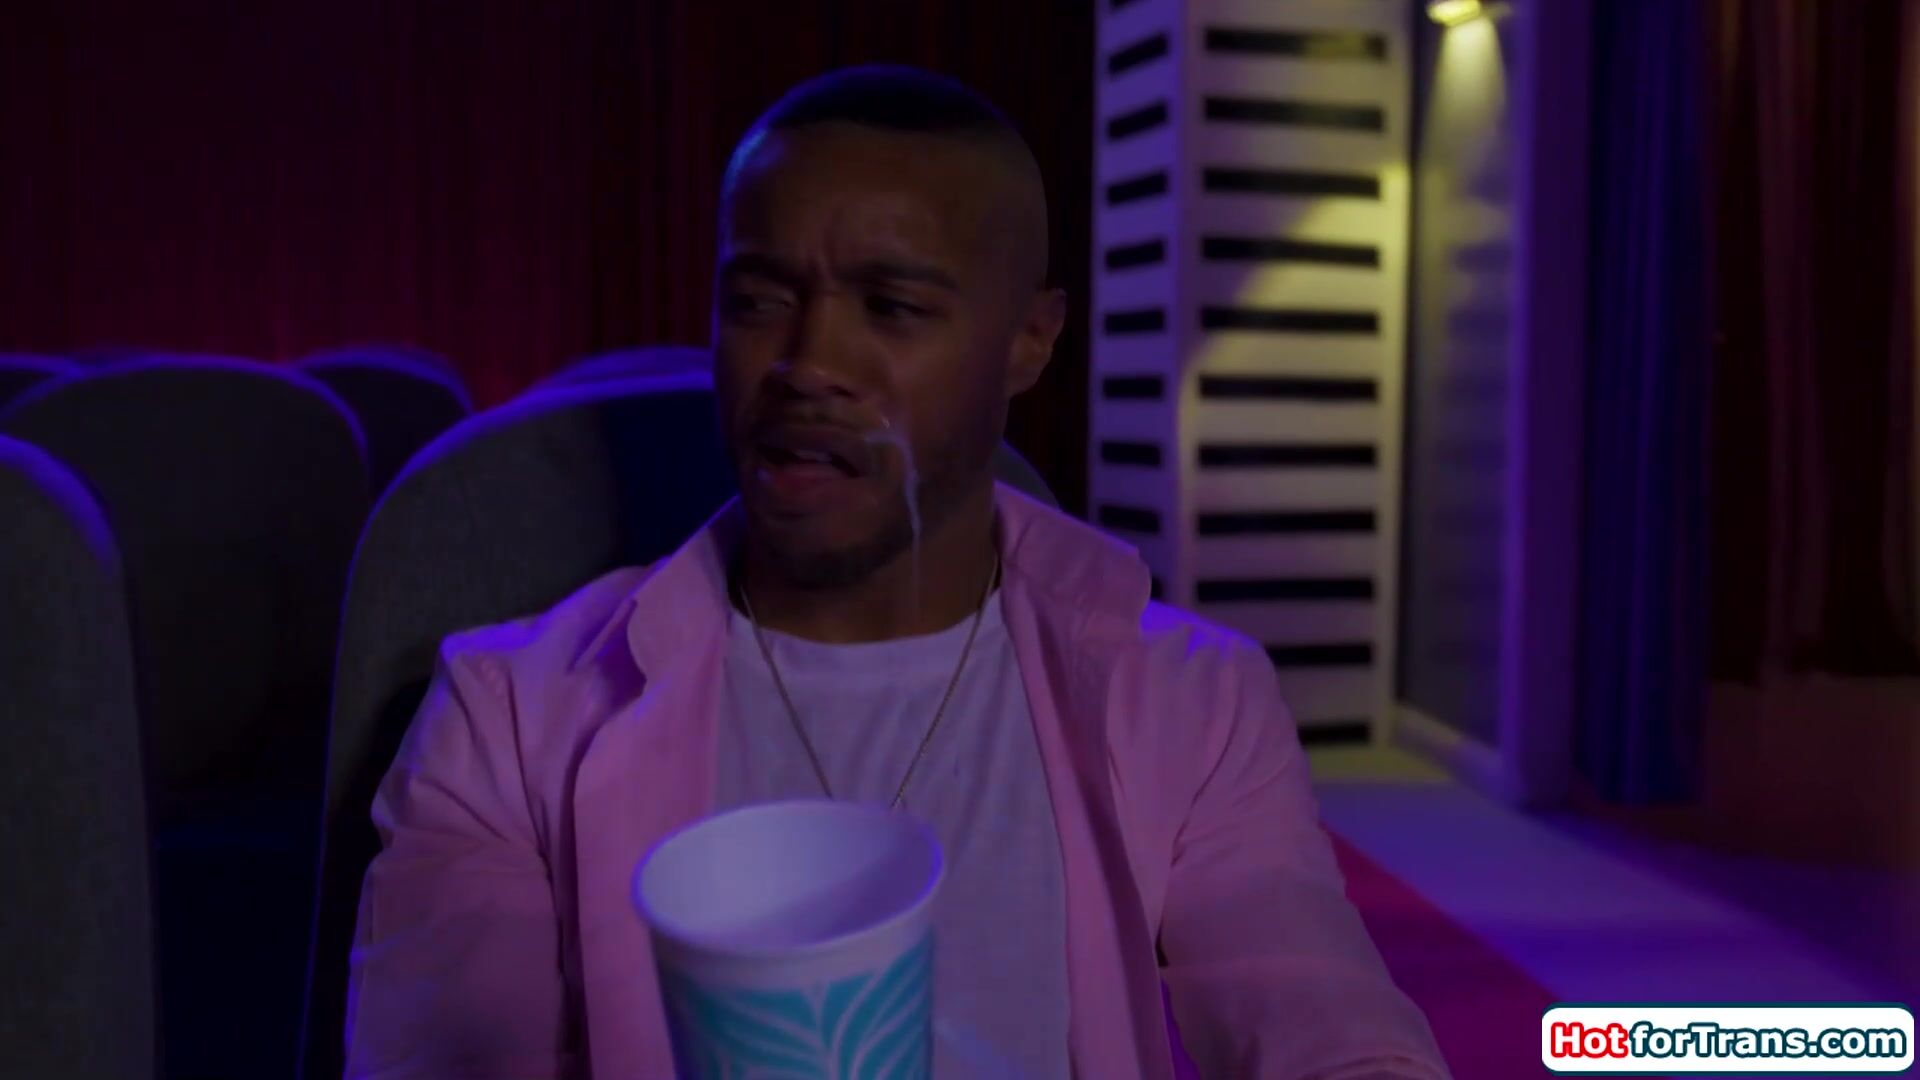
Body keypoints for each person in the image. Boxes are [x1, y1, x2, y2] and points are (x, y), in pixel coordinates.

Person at [343, 65, 1447, 1080]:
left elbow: (1329, 1034)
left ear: (1029, 341)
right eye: (760, 300)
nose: (808, 364)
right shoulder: (509, 719)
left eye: (893, 308)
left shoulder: (1191, 703)